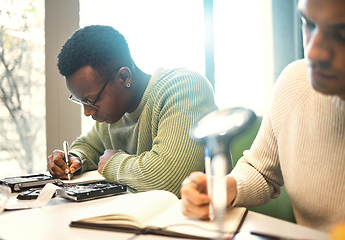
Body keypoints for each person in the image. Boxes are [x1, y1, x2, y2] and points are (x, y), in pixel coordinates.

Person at [181, 0, 345, 232]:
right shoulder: (294, 81)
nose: (314, 51)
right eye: (309, 24)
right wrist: (228, 187)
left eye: (341, 34)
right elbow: (261, 171)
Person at [47, 25, 217, 198]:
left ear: (124, 77)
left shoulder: (184, 88)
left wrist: (112, 163)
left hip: (200, 219)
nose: (87, 112)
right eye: (81, 102)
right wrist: (73, 159)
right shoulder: (114, 114)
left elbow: (169, 179)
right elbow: (88, 146)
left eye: (90, 101)